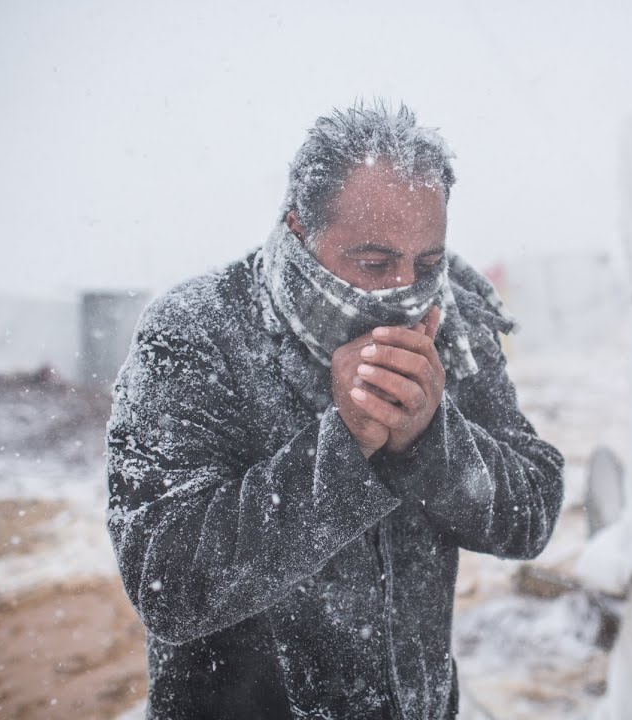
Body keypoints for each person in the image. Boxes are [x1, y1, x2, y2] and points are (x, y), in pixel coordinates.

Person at [105, 99, 565, 719]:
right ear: (300, 228)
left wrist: (431, 439)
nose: (405, 289)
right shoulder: (197, 332)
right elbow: (168, 582)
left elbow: (530, 512)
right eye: (374, 263)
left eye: (426, 263)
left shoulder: (454, 319)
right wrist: (342, 448)